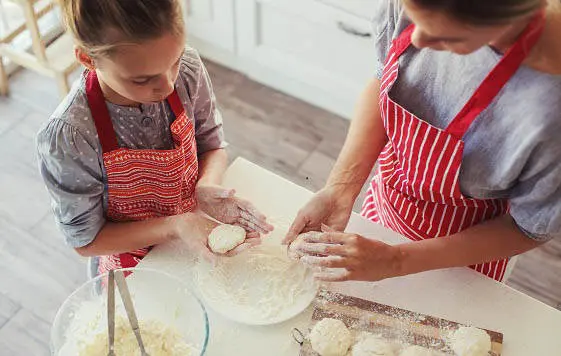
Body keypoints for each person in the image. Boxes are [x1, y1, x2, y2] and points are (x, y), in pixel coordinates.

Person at [284, 0, 561, 283]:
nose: (417, 39)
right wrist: (341, 188)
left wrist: (396, 260)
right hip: (389, 198)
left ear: (505, 21)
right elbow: (385, 78)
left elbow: (527, 228)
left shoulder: (548, 112)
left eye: (447, 36)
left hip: (467, 248)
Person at [37, 0, 273, 275]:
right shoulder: (71, 136)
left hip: (194, 234)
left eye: (175, 60)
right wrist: (175, 226)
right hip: (134, 268)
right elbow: (86, 240)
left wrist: (206, 185)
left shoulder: (187, 70)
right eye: (141, 80)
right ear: (88, 59)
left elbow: (211, 144)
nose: (168, 84)